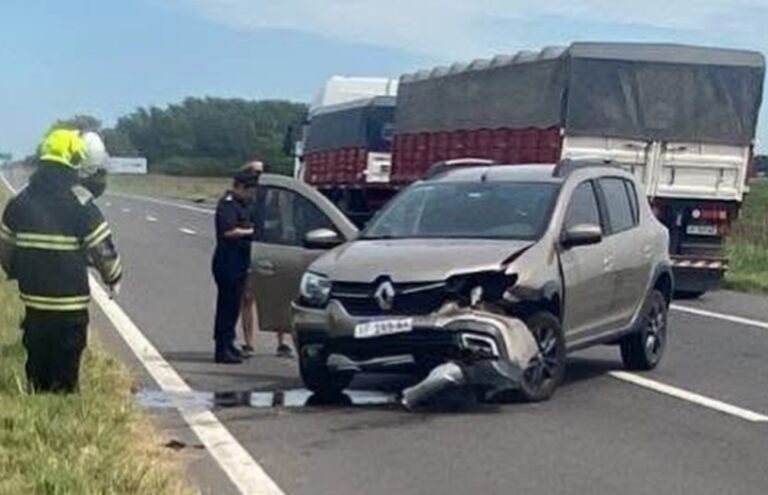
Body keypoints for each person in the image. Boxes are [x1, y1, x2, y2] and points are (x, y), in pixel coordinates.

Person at [0, 128, 122, 393]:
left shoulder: (19, 202)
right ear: (74, 162)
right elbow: (103, 249)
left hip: (33, 301)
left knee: (37, 365)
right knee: (65, 373)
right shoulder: (81, 203)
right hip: (70, 306)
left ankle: (39, 402)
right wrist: (114, 276)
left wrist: (21, 271)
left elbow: (5, 252)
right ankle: (61, 404)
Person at [237, 161, 293, 359]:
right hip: (251, 248)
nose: (258, 176)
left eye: (260, 172)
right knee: (247, 297)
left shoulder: (275, 195)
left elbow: (285, 220)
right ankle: (249, 343)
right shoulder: (245, 197)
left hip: (271, 246)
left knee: (279, 296)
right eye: (254, 172)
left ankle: (282, 342)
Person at [212, 167, 260, 364]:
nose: (251, 194)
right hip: (227, 260)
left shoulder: (243, 204)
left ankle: (229, 343)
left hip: (239, 261)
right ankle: (221, 348)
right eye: (249, 189)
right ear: (240, 186)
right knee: (227, 306)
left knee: (233, 307)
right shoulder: (228, 204)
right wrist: (250, 232)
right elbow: (228, 231)